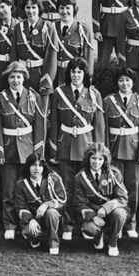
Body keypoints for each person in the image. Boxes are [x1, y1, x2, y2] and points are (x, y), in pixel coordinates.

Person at [49, 57, 106, 240]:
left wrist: (99, 151)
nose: (76, 75)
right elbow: (55, 123)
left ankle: (85, 223)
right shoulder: (59, 92)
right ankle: (67, 225)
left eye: (79, 72)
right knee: (67, 188)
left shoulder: (94, 94)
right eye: (73, 71)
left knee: (86, 189)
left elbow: (99, 125)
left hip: (86, 146)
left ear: (85, 74)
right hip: (65, 144)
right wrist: (54, 149)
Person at [0, 61, 48, 240]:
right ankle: (9, 224)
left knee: (28, 190)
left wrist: (38, 154)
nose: (15, 80)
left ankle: (26, 224)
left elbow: (39, 126)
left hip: (28, 151)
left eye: (18, 77)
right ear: (7, 79)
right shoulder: (0, 98)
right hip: (8, 149)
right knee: (9, 191)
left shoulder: (34, 97)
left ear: (24, 78)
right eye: (12, 77)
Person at [103, 67, 139, 238]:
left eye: (128, 80)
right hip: (114, 150)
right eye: (121, 80)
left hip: (133, 151)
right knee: (113, 188)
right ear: (117, 82)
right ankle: (115, 223)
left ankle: (130, 224)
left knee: (132, 188)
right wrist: (105, 155)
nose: (124, 84)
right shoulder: (108, 101)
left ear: (133, 83)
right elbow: (105, 129)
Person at [72, 142, 129, 256]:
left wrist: (106, 207)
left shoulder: (114, 173)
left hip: (111, 212)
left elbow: (123, 198)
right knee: (90, 228)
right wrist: (93, 217)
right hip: (92, 212)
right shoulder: (80, 177)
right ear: (88, 159)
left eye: (100, 159)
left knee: (120, 214)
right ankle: (98, 236)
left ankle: (113, 243)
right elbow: (79, 203)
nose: (96, 162)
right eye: (93, 158)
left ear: (105, 160)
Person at [14, 154, 67, 254]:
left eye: (40, 165)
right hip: (33, 216)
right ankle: (35, 238)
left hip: (50, 215)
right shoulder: (21, 183)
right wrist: (30, 220)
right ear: (28, 166)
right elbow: (20, 207)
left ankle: (53, 243)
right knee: (30, 230)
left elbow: (62, 201)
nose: (37, 169)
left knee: (51, 213)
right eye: (34, 165)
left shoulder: (53, 178)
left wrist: (46, 205)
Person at [11, 0, 60, 96]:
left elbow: (51, 57)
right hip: (21, 76)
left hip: (39, 75)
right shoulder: (18, 28)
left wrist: (46, 81)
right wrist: (14, 76)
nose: (30, 11)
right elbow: (14, 54)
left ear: (39, 8)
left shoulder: (48, 28)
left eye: (34, 7)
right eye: (27, 7)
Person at [54, 0, 95, 86]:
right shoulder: (52, 28)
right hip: (55, 76)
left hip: (74, 76)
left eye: (68, 8)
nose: (64, 11)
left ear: (74, 9)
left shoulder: (83, 30)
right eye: (61, 8)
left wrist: (87, 79)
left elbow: (88, 57)